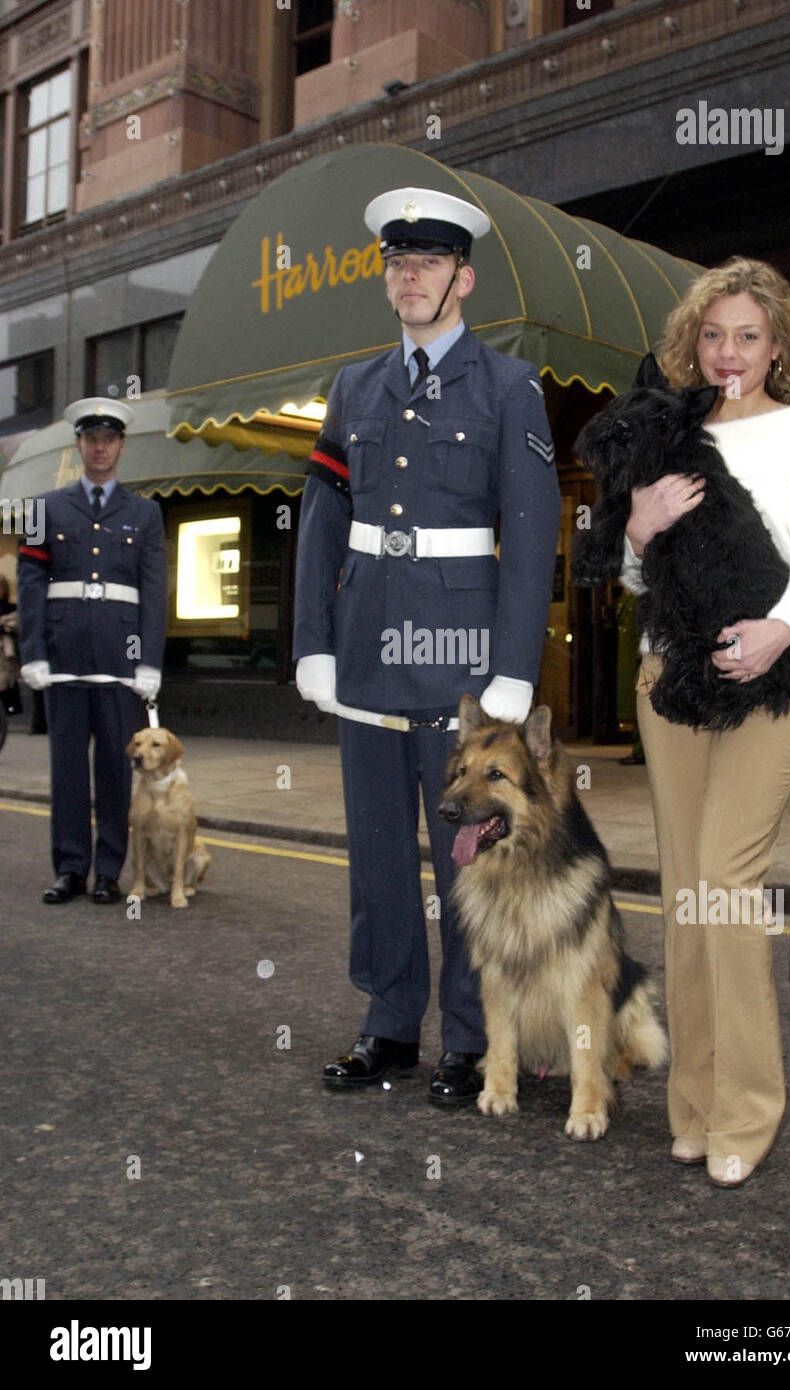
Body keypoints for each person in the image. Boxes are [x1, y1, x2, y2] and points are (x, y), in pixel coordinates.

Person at [293, 187, 561, 1104]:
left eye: (430, 261)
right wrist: (314, 641)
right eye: (398, 262)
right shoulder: (354, 387)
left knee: (470, 863)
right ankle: (389, 1026)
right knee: (376, 854)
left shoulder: (508, 385)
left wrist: (516, 666)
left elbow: (530, 531)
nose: (411, 275)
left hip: (460, 664)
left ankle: (471, 1035)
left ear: (463, 277)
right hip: (366, 651)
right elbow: (323, 521)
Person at [619, 258, 790, 1186]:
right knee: (685, 897)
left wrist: (783, 628)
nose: (728, 352)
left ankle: (749, 1113)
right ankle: (694, 1104)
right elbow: (645, 580)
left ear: (779, 344)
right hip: (668, 684)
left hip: (768, 682)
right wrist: (638, 530)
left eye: (748, 336)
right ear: (692, 341)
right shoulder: (673, 433)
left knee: (724, 882)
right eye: (713, 334)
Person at [17, 399, 166, 904]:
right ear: (78, 444)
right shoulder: (41, 509)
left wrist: (149, 661)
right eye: (91, 439)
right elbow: (31, 581)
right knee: (67, 767)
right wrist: (32, 651)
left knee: (114, 767)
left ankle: (108, 870)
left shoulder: (146, 513)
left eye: (109, 439)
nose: (100, 448)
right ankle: (70, 868)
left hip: (119, 660)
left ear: (121, 446)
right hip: (62, 657)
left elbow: (152, 590)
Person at [0, 575, 22, 715]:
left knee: (7, 679)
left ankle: (9, 708)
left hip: (5, 650)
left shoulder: (10, 608)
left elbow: (16, 624)